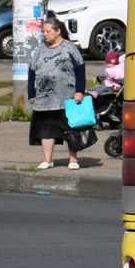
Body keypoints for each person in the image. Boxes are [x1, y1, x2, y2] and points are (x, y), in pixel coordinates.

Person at [27, 16, 87, 171]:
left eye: (48, 31)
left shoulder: (69, 48)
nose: (44, 34)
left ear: (58, 31)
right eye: (43, 32)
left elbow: (80, 69)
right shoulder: (41, 48)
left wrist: (79, 91)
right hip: (44, 98)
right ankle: (47, 160)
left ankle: (73, 160)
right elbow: (32, 70)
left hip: (66, 96)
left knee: (70, 129)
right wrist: (32, 93)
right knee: (46, 130)